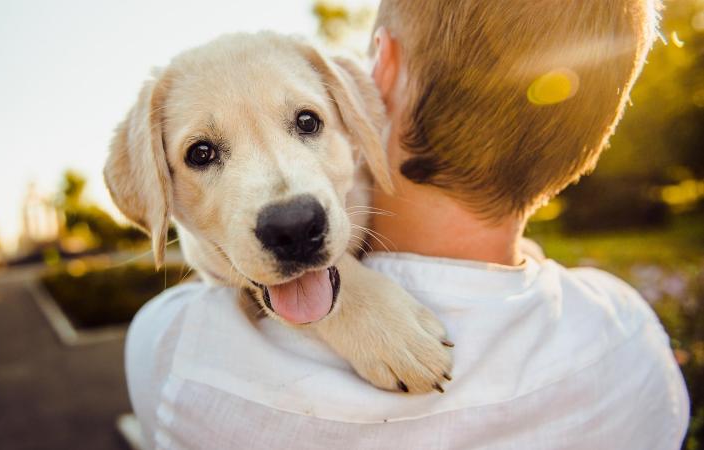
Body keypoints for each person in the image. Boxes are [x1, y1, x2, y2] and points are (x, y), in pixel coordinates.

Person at [125, 0, 690, 448]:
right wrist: (349, 301)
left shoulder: (175, 350)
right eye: (203, 154)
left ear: (378, 77)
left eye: (305, 122)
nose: (288, 207)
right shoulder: (632, 341)